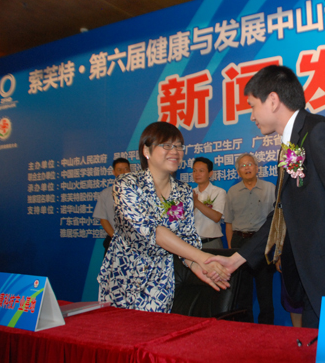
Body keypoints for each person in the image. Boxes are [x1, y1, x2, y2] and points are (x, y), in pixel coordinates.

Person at [208, 65, 325, 329]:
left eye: (252, 106)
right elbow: (282, 212)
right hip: (312, 281)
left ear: (273, 100)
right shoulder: (290, 145)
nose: (251, 116)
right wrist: (236, 259)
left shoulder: (318, 132)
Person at [97, 122, 230, 312]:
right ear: (147, 151)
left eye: (179, 146)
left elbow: (186, 238)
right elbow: (151, 230)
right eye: (166, 145)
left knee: (156, 329)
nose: (175, 151)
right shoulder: (127, 184)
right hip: (124, 278)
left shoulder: (184, 192)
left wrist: (196, 266)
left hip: (159, 282)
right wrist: (202, 257)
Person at [224, 153, 276, 324]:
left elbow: (277, 221)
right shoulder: (232, 192)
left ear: (257, 167)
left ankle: (267, 329)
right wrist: (231, 249)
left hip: (263, 243)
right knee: (242, 292)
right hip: (240, 242)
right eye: (243, 165)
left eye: (250, 164)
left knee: (265, 291)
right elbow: (229, 223)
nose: (247, 168)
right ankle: (246, 328)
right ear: (238, 171)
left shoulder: (270, 188)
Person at [93, 158, 131, 256]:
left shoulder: (139, 191)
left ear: (130, 171)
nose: (123, 172)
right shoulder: (106, 194)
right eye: (119, 170)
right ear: (113, 172)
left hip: (136, 243)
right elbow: (103, 220)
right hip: (114, 242)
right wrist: (117, 239)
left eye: (126, 169)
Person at [192, 157, 226, 248]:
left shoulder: (219, 192)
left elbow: (216, 217)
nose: (197, 174)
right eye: (194, 171)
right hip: (192, 243)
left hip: (211, 242)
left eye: (201, 171)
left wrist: (196, 202)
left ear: (210, 173)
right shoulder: (190, 192)